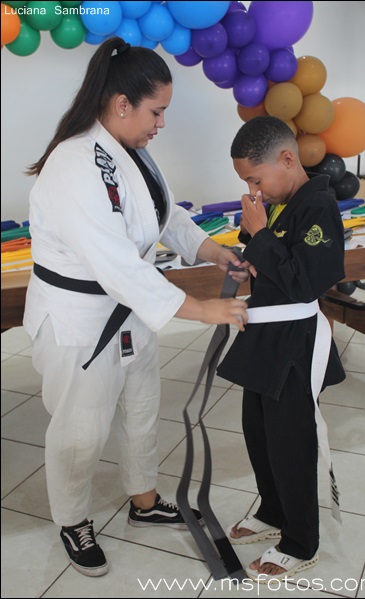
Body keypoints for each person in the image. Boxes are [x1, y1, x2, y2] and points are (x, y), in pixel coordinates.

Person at [23, 37, 249, 578]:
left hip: (131, 313)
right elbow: (117, 262)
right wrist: (202, 310)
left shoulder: (132, 151)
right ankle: (73, 519)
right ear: (122, 104)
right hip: (80, 322)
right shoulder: (74, 163)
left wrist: (212, 250)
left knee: (142, 410)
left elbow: (164, 215)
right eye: (157, 111)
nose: (162, 123)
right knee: (81, 429)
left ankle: (143, 501)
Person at [217, 116, 346, 583]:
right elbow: (274, 263)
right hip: (266, 336)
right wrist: (251, 246)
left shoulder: (319, 206)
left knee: (292, 442)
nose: (254, 190)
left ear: (288, 159)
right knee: (259, 431)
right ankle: (272, 509)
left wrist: (261, 235)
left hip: (296, 342)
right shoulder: (281, 204)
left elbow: (306, 281)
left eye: (256, 179)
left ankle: (300, 541)